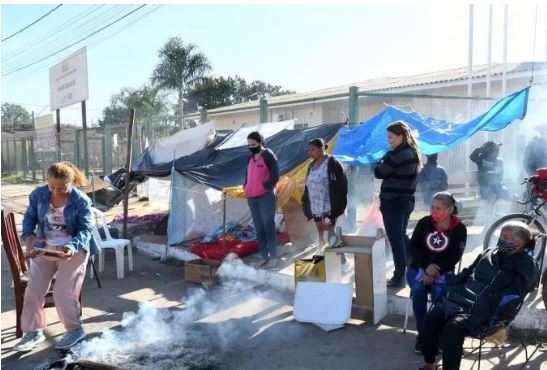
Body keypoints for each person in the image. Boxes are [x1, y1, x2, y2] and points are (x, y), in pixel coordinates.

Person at [419, 221, 540, 370]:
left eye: (506, 237)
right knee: (431, 320)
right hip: (460, 298)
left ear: (519, 243)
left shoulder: (527, 265)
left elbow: (514, 297)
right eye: (501, 235)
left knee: (452, 328)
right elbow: (467, 272)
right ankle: (430, 364)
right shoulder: (489, 252)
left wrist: (495, 315)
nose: (501, 240)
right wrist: (449, 286)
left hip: (487, 311)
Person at [14, 162, 98, 352]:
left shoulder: (81, 200)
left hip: (73, 250)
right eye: (52, 187)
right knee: (33, 289)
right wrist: (28, 234)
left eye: (62, 187)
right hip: (45, 248)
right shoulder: (38, 194)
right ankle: (33, 331)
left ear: (71, 182)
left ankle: (75, 329)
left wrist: (72, 246)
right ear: (47, 182)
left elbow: (85, 230)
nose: (56, 191)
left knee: (62, 292)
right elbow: (30, 217)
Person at [407, 192, 467, 354]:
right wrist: (427, 267)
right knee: (418, 292)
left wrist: (434, 272)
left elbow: (454, 256)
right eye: (432, 207)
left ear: (449, 210)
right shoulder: (424, 223)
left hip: (444, 271)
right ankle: (423, 335)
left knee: (439, 293)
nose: (434, 211)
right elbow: (413, 247)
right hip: (417, 268)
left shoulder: (459, 229)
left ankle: (438, 333)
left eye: (438, 208)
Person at [374, 121, 421, 287]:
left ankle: (399, 276)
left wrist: (379, 161)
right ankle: (416, 266)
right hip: (404, 201)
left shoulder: (398, 154)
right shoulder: (410, 152)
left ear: (401, 136)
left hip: (394, 202)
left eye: (391, 137)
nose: (389, 141)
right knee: (400, 236)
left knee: (396, 240)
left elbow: (379, 172)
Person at [302, 138, 348, 247]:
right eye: (309, 150)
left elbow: (342, 185)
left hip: (329, 206)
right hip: (316, 207)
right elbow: (307, 185)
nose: (310, 153)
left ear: (321, 148)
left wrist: (338, 206)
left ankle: (342, 260)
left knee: (329, 231)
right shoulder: (311, 165)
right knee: (321, 233)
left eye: (312, 150)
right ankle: (322, 259)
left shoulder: (332, 163)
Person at [243, 131, 280, 268]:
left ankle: (274, 257)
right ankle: (263, 256)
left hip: (266, 196)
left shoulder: (268, 155)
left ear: (260, 142)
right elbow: (247, 174)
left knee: (268, 226)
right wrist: (245, 186)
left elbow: (275, 175)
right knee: (258, 228)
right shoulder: (250, 157)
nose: (251, 147)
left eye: (253, 144)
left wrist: (265, 186)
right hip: (251, 197)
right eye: (249, 145)